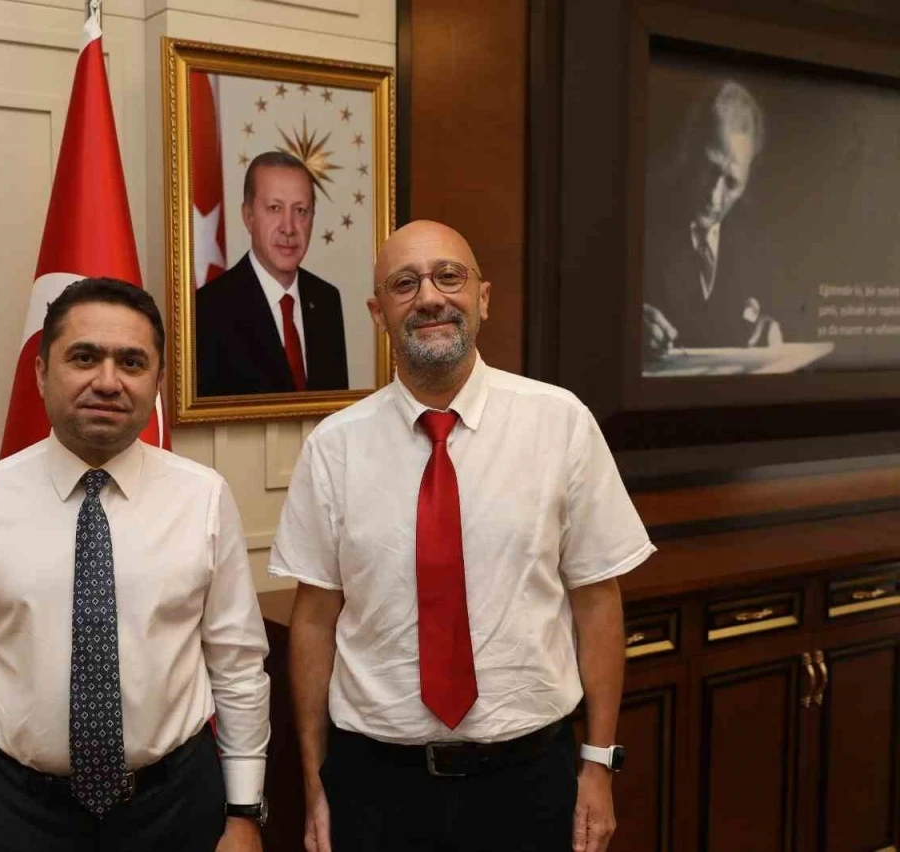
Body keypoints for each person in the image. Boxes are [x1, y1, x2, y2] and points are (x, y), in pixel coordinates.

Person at [271, 221, 656, 852]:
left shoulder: (561, 423)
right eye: (404, 284)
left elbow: (596, 600)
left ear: (483, 297)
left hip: (530, 781)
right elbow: (314, 621)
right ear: (377, 313)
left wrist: (598, 763)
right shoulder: (333, 448)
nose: (430, 297)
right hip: (376, 789)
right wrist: (315, 783)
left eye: (449, 276)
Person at [0, 278, 271, 852]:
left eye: (132, 362)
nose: (108, 381)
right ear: (40, 372)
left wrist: (245, 812)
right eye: (83, 357)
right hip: (21, 814)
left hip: (177, 806)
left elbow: (237, 664)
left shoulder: (203, 497)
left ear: (157, 381)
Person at [643, 79, 784, 360]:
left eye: (732, 183)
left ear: (747, 179)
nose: (713, 196)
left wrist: (768, 328)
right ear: (687, 152)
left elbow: (775, 311)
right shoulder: (644, 214)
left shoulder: (758, 239)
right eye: (708, 169)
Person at [196, 151, 349, 396]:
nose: (289, 228)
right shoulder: (208, 309)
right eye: (274, 208)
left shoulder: (326, 300)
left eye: (301, 210)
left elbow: (335, 409)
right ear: (248, 216)